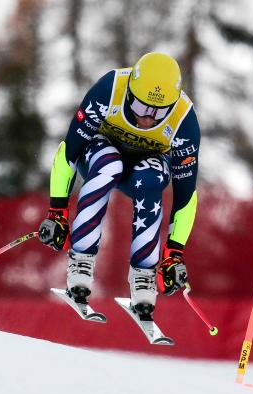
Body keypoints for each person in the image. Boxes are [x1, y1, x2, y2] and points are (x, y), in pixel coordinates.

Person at [38, 52, 200, 320]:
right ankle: (81, 263)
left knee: (151, 178)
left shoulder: (184, 121)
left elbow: (186, 196)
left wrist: (175, 252)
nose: (147, 118)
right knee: (109, 163)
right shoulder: (109, 89)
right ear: (129, 94)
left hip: (143, 169)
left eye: (159, 112)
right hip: (100, 155)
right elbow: (68, 153)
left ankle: (143, 279)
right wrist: (57, 212)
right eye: (140, 108)